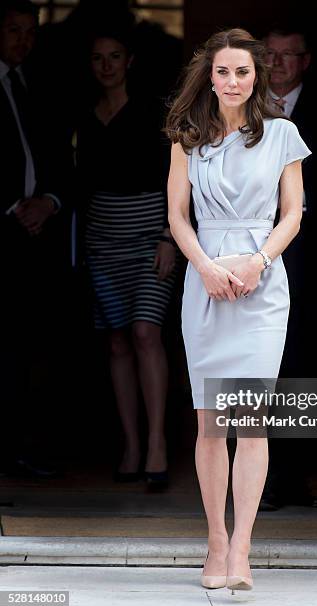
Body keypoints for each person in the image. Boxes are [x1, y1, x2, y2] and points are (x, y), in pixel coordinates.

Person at [166, 28, 310, 592]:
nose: (232, 81)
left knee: (250, 424)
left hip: (261, 286)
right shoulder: (185, 136)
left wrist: (256, 262)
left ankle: (244, 548)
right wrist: (203, 266)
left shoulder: (282, 134)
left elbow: (294, 213)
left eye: (242, 72)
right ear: (209, 76)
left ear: (258, 77)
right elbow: (178, 215)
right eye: (223, 71)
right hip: (204, 282)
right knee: (210, 423)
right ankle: (215, 544)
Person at [76, 28, 177, 487]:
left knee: (145, 332)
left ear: (130, 61)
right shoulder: (82, 114)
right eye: (98, 58)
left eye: (114, 56)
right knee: (116, 340)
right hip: (102, 240)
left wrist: (168, 236)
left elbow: (176, 176)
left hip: (150, 236)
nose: (106, 65)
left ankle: (157, 444)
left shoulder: (153, 111)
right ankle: (131, 445)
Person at [0, 0, 70, 479]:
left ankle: (25, 447)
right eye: (13, 30)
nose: (23, 39)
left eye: (30, 31)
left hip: (37, 238)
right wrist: (12, 207)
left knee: (32, 346)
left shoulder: (37, 85)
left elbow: (61, 157)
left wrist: (48, 200)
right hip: (2, 232)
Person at [257, 26, 317, 512]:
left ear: (305, 62)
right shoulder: (242, 109)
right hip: (249, 256)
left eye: (288, 56)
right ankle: (258, 477)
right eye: (270, 55)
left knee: (302, 368)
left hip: (311, 263)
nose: (278, 64)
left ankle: (294, 476)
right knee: (259, 366)